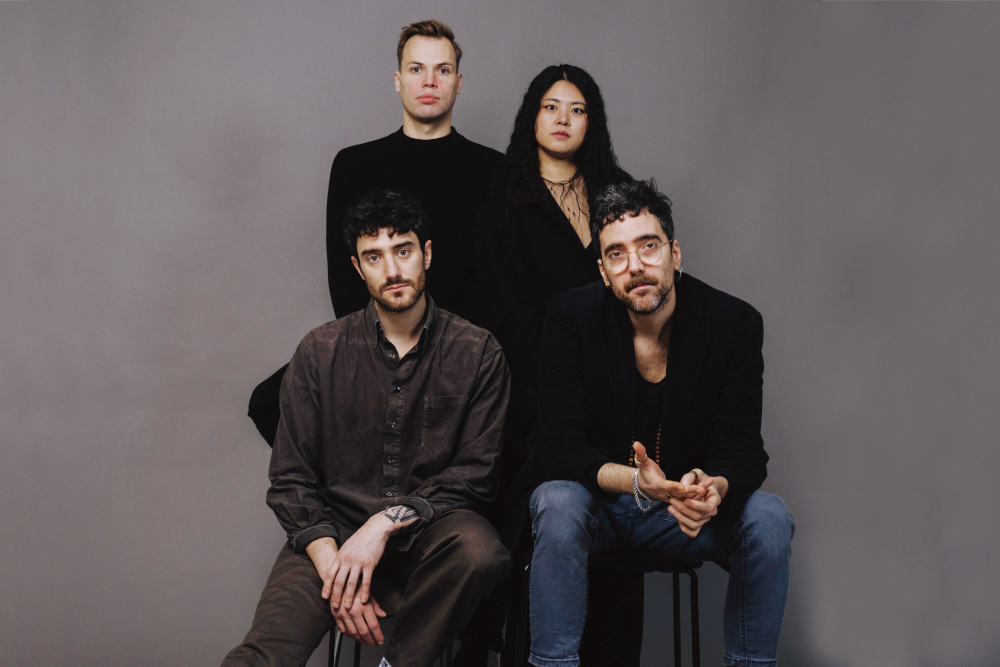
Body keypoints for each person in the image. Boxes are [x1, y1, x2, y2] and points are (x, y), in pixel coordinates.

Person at [223, 190, 511, 667]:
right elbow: (291, 478)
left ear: (427, 254)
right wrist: (336, 569)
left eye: (403, 250)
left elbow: (476, 475)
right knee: (263, 657)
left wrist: (381, 525)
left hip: (428, 533)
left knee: (480, 550)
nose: (392, 270)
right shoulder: (319, 353)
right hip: (331, 533)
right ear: (358, 269)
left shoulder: (478, 352)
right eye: (374, 257)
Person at [524, 179, 794, 667]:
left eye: (648, 246)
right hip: (600, 509)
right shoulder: (571, 316)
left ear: (674, 253)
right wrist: (635, 482)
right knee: (555, 501)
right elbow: (554, 445)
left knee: (769, 517)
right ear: (604, 271)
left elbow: (743, 449)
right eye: (617, 254)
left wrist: (712, 488)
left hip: (683, 516)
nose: (636, 266)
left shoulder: (734, 324)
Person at [249, 18, 502, 446]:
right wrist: (381, 351)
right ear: (398, 80)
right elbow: (344, 275)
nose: (429, 81)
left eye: (442, 70)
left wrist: (447, 350)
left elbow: (495, 277)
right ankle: (351, 486)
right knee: (269, 401)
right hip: (377, 341)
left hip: (458, 345)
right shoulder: (355, 164)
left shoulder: (494, 170)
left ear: (458, 83)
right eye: (416, 69)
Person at [472, 65, 640, 665]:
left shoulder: (619, 192)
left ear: (592, 121)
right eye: (551, 106)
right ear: (532, 117)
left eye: (577, 108)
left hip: (620, 386)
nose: (563, 119)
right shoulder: (504, 196)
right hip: (535, 390)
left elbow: (642, 287)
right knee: (544, 518)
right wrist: (563, 371)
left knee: (618, 528)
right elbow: (505, 306)